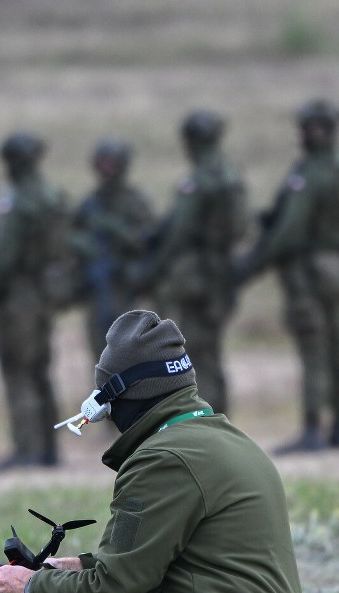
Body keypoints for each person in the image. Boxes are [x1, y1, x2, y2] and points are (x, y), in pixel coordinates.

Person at [0, 310, 310, 593]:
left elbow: (115, 589)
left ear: (119, 393)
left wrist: (33, 584)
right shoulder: (227, 442)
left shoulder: (163, 460)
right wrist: (73, 566)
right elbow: (154, 561)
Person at [237, 98, 339, 452]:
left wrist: (252, 264)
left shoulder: (311, 173)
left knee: (314, 348)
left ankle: (313, 428)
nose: (302, 135)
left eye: (307, 128)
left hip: (310, 274)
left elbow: (289, 232)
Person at [0, 131, 70, 474]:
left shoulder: (20, 202)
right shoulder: (50, 196)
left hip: (19, 296)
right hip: (45, 291)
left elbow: (4, 258)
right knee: (41, 369)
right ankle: (49, 449)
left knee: (18, 370)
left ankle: (26, 449)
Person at [143, 109, 249, 417]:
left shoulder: (201, 179)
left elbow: (179, 232)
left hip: (199, 277)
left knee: (197, 354)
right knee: (211, 352)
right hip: (220, 271)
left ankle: (208, 423)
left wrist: (154, 268)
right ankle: (220, 421)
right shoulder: (229, 174)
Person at [70, 137, 156, 361]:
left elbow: (150, 242)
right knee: (99, 355)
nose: (106, 170)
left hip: (123, 288)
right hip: (97, 289)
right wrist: (81, 244)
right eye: (102, 164)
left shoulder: (135, 202)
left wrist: (120, 232)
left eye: (111, 164)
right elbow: (70, 235)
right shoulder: (91, 203)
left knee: (126, 355)